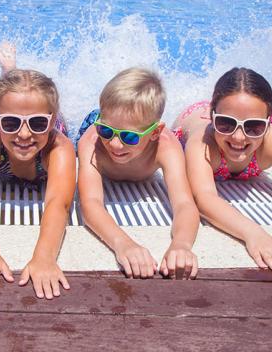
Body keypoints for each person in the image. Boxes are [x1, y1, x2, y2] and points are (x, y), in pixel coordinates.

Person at [174, 68, 272, 274]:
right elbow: (205, 198)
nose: (238, 137)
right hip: (193, 117)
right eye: (226, 124)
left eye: (253, 127)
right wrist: (254, 234)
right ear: (213, 117)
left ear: (268, 122)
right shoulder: (202, 143)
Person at [0, 44, 76, 298]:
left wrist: (44, 257)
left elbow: (57, 204)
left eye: (39, 123)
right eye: (10, 122)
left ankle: (12, 74)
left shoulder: (57, 145)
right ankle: (1, 75)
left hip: (50, 128)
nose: (24, 134)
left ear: (50, 122)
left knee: (27, 106)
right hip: (7, 128)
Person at [77, 68, 199, 280]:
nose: (114, 144)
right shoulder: (92, 141)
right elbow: (90, 204)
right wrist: (123, 244)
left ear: (154, 133)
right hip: (93, 122)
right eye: (107, 132)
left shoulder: (166, 146)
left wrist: (181, 244)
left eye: (129, 137)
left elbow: (184, 204)